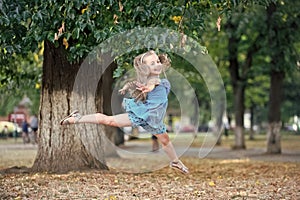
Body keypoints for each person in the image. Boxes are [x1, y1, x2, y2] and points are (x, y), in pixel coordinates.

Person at [60, 50, 189, 174]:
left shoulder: (162, 81)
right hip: (143, 115)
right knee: (108, 120)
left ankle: (175, 162)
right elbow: (152, 84)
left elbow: (156, 83)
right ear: (145, 68)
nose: (157, 65)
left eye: (157, 61)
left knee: (165, 141)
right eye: (152, 63)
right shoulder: (152, 81)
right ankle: (77, 118)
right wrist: (148, 88)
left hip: (154, 120)